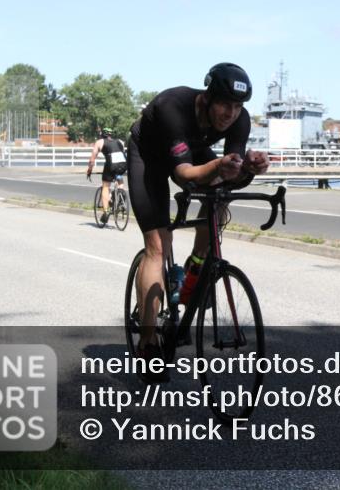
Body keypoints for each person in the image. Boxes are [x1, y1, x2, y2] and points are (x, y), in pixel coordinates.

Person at [127, 63, 269, 380]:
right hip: (149, 156)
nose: (230, 113)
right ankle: (148, 344)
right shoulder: (172, 106)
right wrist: (219, 165)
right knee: (158, 246)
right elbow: (184, 174)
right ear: (206, 99)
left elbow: (230, 172)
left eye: (237, 106)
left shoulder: (239, 119)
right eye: (224, 105)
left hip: (189, 152)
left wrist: (248, 167)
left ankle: (195, 268)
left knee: (220, 197)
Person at [86, 128, 128, 223]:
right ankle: (120, 195)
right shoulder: (119, 141)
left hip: (111, 165)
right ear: (110, 134)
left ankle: (106, 211)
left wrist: (89, 170)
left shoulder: (99, 142)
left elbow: (92, 159)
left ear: (102, 134)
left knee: (105, 186)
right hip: (123, 164)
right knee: (119, 179)